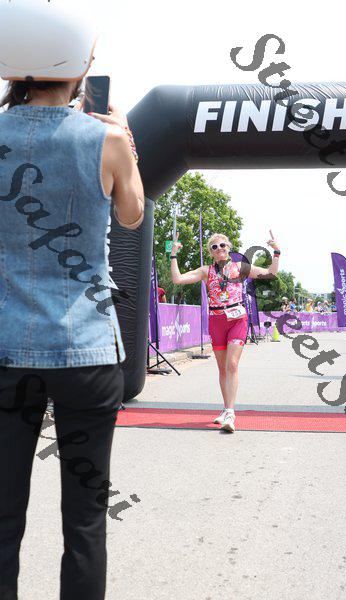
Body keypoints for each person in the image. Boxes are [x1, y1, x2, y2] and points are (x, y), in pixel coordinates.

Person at [0, 2, 144, 599]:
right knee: (84, 522)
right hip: (85, 349)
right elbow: (132, 216)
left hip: (6, 351)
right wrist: (126, 143)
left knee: (2, 519)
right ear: (81, 66)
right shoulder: (106, 140)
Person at [170, 230, 280, 433]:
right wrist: (174, 253)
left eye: (222, 245)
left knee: (232, 364)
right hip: (217, 320)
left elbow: (270, 273)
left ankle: (230, 412)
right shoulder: (206, 271)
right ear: (211, 252)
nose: (219, 249)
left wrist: (276, 251)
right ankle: (225, 408)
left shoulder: (241, 267)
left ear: (229, 247)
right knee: (222, 368)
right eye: (214, 247)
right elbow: (177, 279)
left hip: (237, 319)